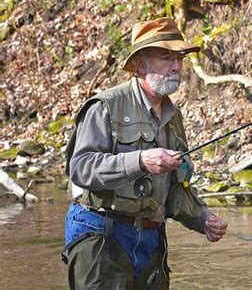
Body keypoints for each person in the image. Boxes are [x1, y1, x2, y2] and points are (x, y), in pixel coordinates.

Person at [63, 17, 228, 289]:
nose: (177, 66)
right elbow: (81, 168)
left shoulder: (174, 117)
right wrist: (139, 161)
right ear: (140, 64)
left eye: (179, 58)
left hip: (151, 238)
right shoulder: (105, 106)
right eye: (166, 57)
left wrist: (203, 220)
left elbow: (175, 190)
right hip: (100, 233)